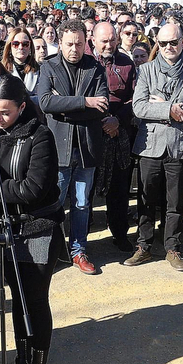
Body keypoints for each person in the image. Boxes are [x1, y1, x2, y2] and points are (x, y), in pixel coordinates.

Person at [0, 74, 65, 364]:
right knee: (17, 299)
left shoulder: (40, 136)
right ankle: (22, 361)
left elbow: (33, 188)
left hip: (39, 229)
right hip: (9, 230)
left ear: (21, 106)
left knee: (35, 299)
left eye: (4, 112)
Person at [126, 21, 183, 272]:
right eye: (163, 43)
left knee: (174, 202)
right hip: (150, 144)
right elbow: (139, 107)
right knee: (146, 198)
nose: (168, 47)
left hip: (180, 146)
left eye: (173, 42)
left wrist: (164, 105)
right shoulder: (146, 71)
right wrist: (171, 109)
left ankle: (172, 247)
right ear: (157, 44)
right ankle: (144, 245)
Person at [35, 19, 110, 275]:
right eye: (69, 44)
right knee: (54, 204)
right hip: (58, 149)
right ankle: (52, 251)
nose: (74, 49)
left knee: (81, 205)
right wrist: (84, 103)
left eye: (79, 44)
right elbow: (45, 103)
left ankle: (78, 251)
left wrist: (65, 105)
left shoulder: (96, 68)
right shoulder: (49, 66)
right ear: (60, 42)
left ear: (85, 43)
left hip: (86, 150)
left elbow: (102, 105)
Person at [90, 20, 138, 254]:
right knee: (86, 187)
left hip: (119, 131)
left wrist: (117, 120)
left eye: (112, 40)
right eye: (104, 41)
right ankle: (81, 239)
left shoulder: (127, 63)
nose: (108, 45)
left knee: (119, 188)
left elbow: (135, 99)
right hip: (90, 131)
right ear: (93, 40)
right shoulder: (85, 62)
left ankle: (120, 234)